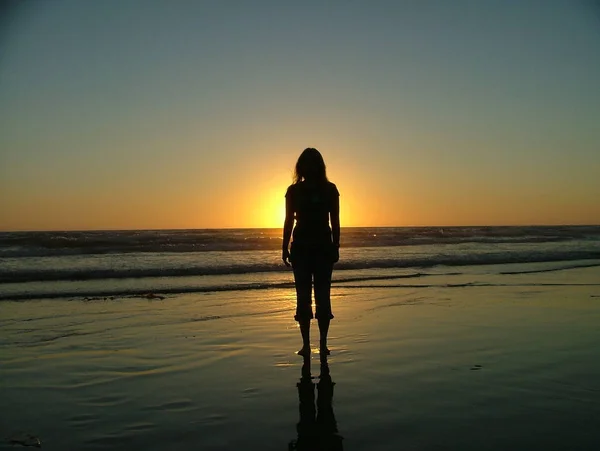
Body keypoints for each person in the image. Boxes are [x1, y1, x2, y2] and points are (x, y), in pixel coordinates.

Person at [282, 148, 340, 357]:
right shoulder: (329, 189)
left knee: (305, 297)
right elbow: (335, 222)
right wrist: (336, 246)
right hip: (319, 247)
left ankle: (310, 345)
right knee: (320, 297)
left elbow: (289, 221)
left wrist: (284, 248)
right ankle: (319, 344)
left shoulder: (296, 190)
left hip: (308, 248)